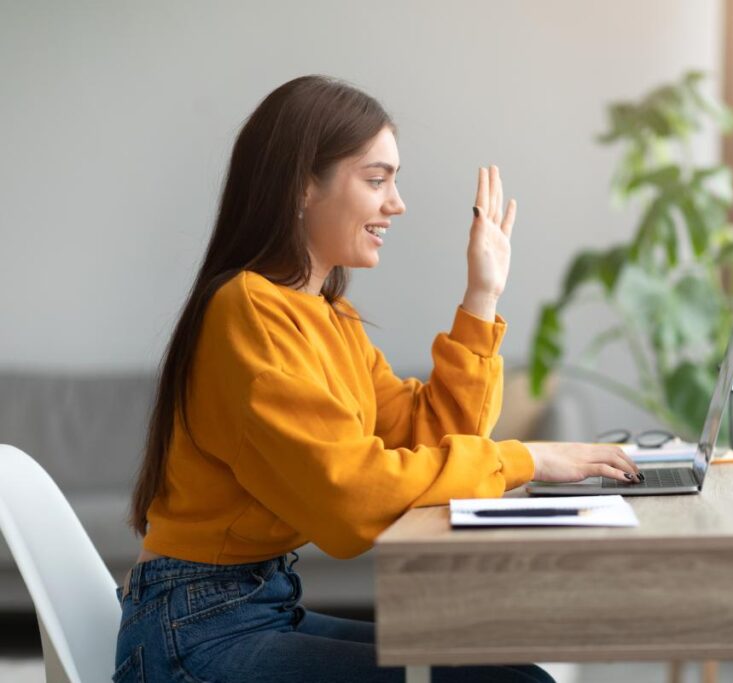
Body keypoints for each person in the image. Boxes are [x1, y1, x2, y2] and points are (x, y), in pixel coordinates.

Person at [113, 74, 641, 683]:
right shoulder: (249, 309)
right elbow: (349, 502)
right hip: (193, 635)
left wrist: (481, 294)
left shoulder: (331, 318)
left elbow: (428, 432)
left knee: (509, 671)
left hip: (253, 609)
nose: (397, 202)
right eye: (377, 179)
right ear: (303, 186)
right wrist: (524, 460)